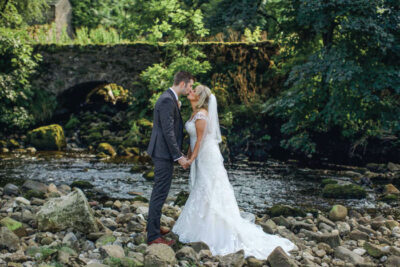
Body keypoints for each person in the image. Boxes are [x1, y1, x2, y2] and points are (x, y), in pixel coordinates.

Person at [171, 85, 296, 258]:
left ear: (199, 97)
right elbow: (192, 140)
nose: (190, 91)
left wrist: (191, 159)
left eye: (194, 91)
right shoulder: (194, 113)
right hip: (200, 155)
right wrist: (188, 156)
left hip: (207, 156)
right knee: (203, 187)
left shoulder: (202, 115)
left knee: (210, 188)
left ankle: (215, 230)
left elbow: (199, 141)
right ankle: (199, 224)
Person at [146, 71, 193, 245]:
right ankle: (153, 236)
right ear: (182, 84)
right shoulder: (167, 100)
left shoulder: (170, 99)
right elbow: (167, 132)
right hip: (163, 153)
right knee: (160, 192)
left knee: (160, 191)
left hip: (162, 152)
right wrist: (178, 156)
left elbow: (169, 125)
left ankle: (154, 227)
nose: (191, 89)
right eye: (190, 86)